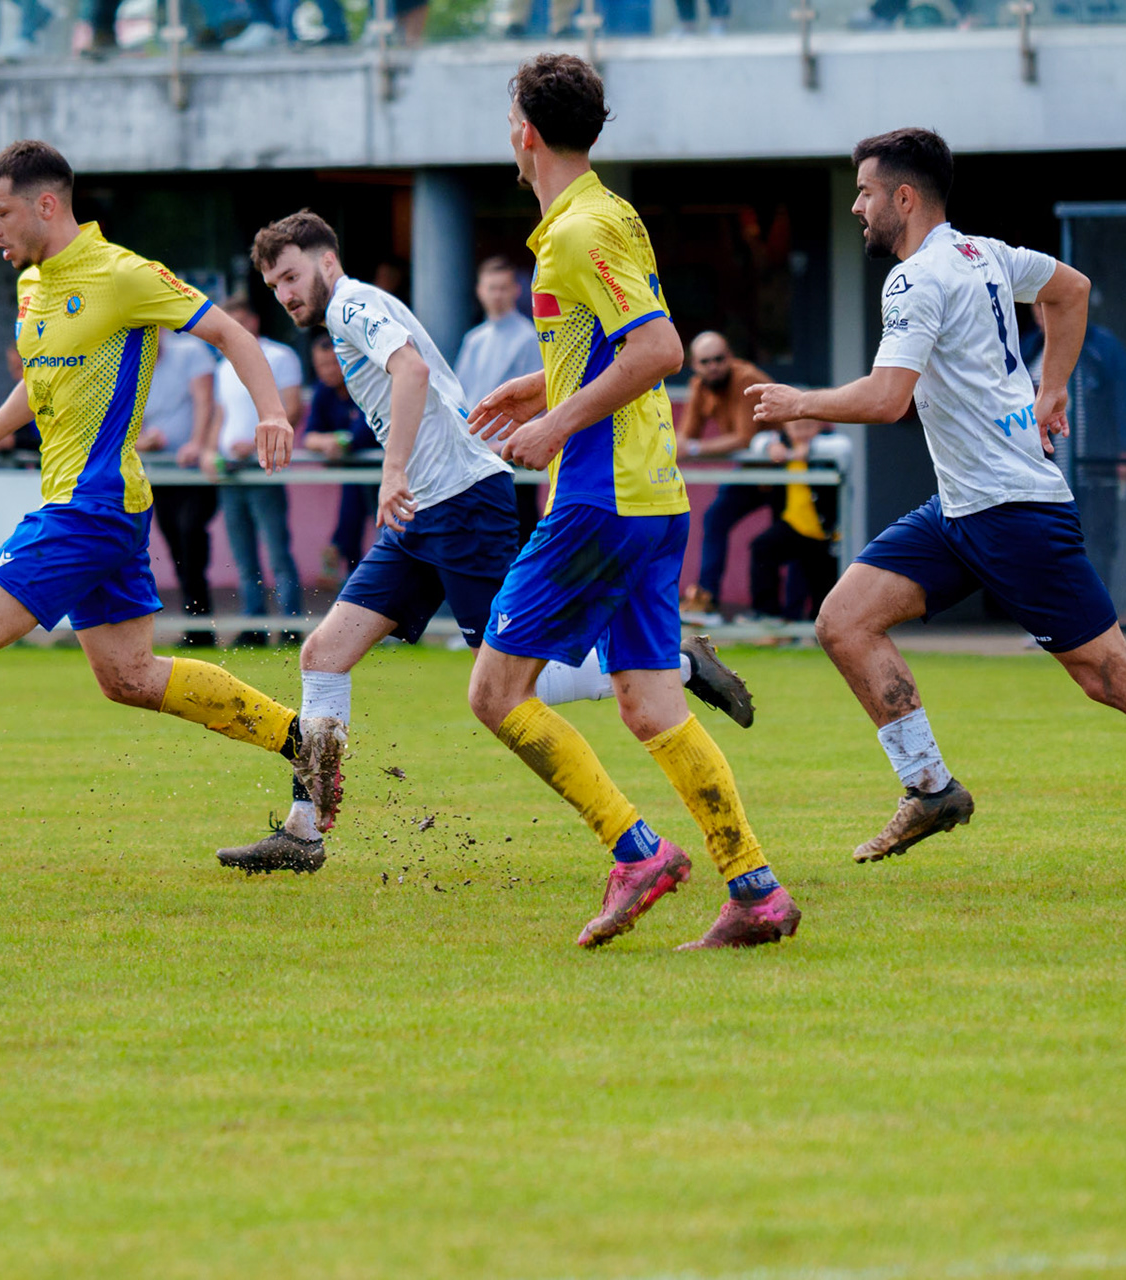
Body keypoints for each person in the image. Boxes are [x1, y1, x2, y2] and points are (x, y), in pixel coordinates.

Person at [746, 127, 1126, 891]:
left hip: (1014, 511)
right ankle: (932, 790)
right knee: (844, 620)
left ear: (904, 198)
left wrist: (797, 401)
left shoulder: (915, 279)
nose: (856, 207)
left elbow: (886, 397)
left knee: (1110, 677)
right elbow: (1071, 290)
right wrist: (1052, 388)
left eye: (866, 193)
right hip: (962, 509)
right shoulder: (987, 254)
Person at [0, 139, 333, 882]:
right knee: (128, 676)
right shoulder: (33, 287)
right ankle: (304, 739)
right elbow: (42, 385)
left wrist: (272, 413)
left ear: (45, 204)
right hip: (94, 507)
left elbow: (231, 333)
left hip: (93, 507)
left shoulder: (122, 274)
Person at [216, 210, 753, 876]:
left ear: (327, 262)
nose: (286, 294)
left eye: (292, 276)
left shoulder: (352, 303)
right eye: (274, 286)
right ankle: (304, 830)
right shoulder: (351, 310)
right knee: (325, 655)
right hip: (425, 512)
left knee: (509, 678)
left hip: (461, 502)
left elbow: (409, 373)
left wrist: (390, 473)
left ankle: (675, 665)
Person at [466, 54, 800, 951]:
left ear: (524, 132)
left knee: (496, 693)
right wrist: (539, 388)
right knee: (653, 707)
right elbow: (614, 342)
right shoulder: (602, 217)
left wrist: (553, 428)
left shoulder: (580, 230)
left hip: (598, 497)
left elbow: (658, 350)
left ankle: (637, 851)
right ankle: (757, 892)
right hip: (650, 495)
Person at [208, 295, 306, 646]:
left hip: (265, 465)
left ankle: (292, 623)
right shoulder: (222, 366)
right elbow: (221, 416)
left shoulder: (280, 356)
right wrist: (209, 450)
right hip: (231, 470)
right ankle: (254, 622)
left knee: (276, 547)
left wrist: (257, 443)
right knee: (243, 551)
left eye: (240, 321)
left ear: (253, 321)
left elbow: (291, 408)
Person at [677, 331, 771, 622]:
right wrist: (680, 447)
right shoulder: (700, 386)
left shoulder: (746, 379)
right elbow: (684, 437)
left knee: (787, 538)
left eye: (719, 359)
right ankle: (709, 602)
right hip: (755, 471)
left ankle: (781, 617)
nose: (714, 366)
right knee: (716, 518)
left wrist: (692, 448)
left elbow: (744, 438)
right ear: (695, 364)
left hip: (790, 466)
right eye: (706, 361)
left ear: (729, 357)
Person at [135, 323, 220, 645]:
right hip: (159, 471)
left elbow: (205, 401)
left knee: (190, 532)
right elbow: (131, 418)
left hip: (195, 470)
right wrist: (144, 442)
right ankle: (197, 625)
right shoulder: (132, 364)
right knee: (176, 545)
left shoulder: (191, 353)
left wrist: (197, 443)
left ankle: (202, 622)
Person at [454, 255, 545, 542]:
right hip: (477, 457)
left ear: (516, 291)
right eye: (491, 287)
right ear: (480, 290)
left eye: (503, 287)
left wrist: (505, 444)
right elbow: (461, 398)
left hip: (511, 456)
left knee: (517, 530)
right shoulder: (473, 339)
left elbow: (537, 404)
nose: (497, 295)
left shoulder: (529, 337)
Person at [300, 330, 377, 580]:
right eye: (321, 365)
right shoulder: (323, 391)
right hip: (353, 474)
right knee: (352, 522)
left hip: (383, 473)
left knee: (388, 535)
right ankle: (350, 578)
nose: (328, 370)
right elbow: (309, 436)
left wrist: (339, 443)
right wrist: (328, 442)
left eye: (333, 363)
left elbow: (364, 433)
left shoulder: (365, 384)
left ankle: (337, 547)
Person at [745, 419, 840, 622]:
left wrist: (811, 449)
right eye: (797, 427)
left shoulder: (828, 443)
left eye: (808, 426)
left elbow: (844, 448)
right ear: (786, 428)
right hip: (793, 526)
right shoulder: (780, 442)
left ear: (819, 425)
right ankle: (768, 616)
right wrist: (771, 447)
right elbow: (757, 441)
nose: (803, 433)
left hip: (825, 532)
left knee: (822, 590)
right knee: (762, 548)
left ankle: (819, 631)